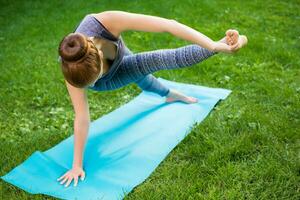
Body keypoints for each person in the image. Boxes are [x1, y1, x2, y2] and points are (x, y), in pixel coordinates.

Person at [56, 10, 248, 187]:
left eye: (96, 75)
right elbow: (82, 117)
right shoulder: (74, 71)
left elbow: (168, 25)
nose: (91, 84)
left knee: (159, 59)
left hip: (117, 54)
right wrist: (76, 166)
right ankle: (169, 91)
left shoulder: (102, 24)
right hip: (107, 82)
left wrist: (213, 44)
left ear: (99, 52)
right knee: (138, 71)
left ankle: (175, 88)